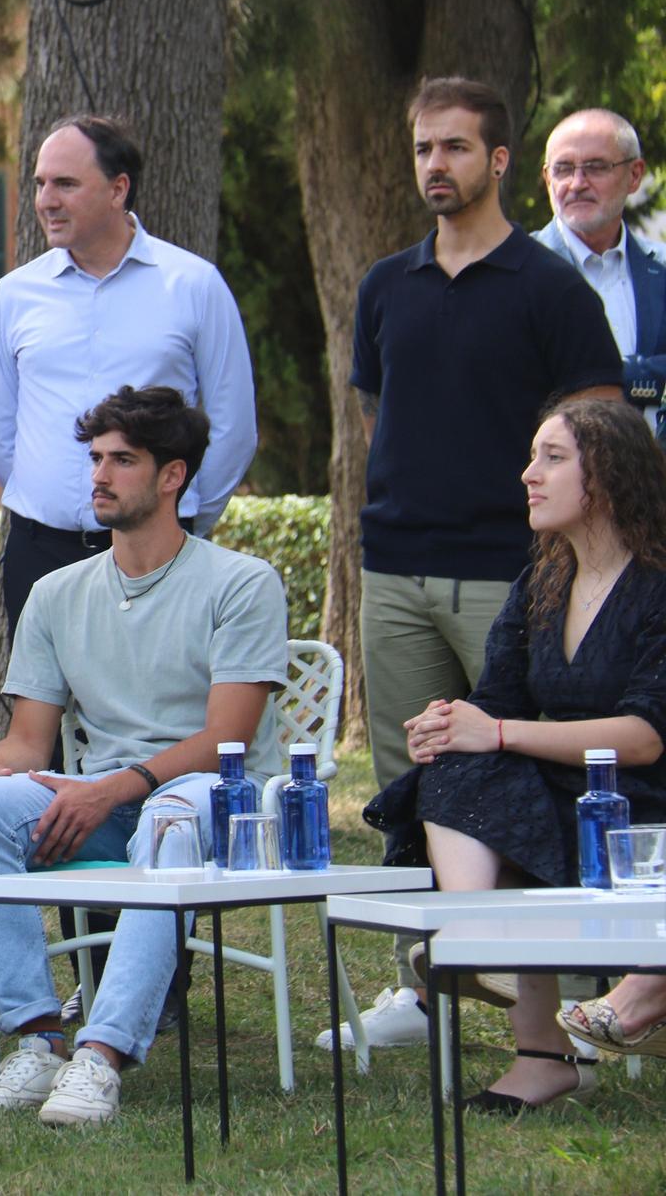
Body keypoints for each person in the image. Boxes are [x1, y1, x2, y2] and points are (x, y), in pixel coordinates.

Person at [332, 76, 626, 1052]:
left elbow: (600, 436)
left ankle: (564, 1000)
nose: (433, 166)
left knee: (528, 783)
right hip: (396, 572)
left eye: (452, 148)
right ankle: (424, 989)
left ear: (498, 160)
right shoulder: (384, 285)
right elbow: (384, 422)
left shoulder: (550, 290)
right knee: (409, 778)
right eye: (422, 148)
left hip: (515, 575)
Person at [0, 386, 287, 1127]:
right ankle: (36, 1038)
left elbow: (227, 740)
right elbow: (29, 743)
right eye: (95, 457)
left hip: (223, 804)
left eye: (122, 459)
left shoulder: (241, 582)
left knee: (169, 813)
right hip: (111, 799)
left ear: (172, 476)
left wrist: (111, 789)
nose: (99, 474)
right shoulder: (58, 592)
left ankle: (101, 1056)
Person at [365, 397, 666, 1111]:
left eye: (553, 458)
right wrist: (446, 726)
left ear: (611, 475)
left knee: (491, 765)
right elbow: (494, 701)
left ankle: (481, 944)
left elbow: (646, 736)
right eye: (533, 457)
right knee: (454, 772)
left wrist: (495, 733)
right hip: (565, 792)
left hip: (645, 801)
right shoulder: (542, 583)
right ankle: (508, 994)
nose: (529, 475)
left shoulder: (657, 585)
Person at [0, 114, 256, 634]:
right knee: (41, 714)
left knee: (158, 711)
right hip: (41, 554)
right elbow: (2, 437)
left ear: (118, 189)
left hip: (156, 555)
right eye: (40, 183)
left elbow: (233, 430)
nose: (45, 200)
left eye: (65, 183)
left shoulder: (194, 286)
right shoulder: (15, 295)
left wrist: (175, 519)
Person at [532, 108, 666, 439]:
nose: (577, 184)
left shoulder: (661, 270)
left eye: (595, 167)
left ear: (634, 175)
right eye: (564, 169)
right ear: (548, 178)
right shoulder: (518, 269)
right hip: (540, 481)